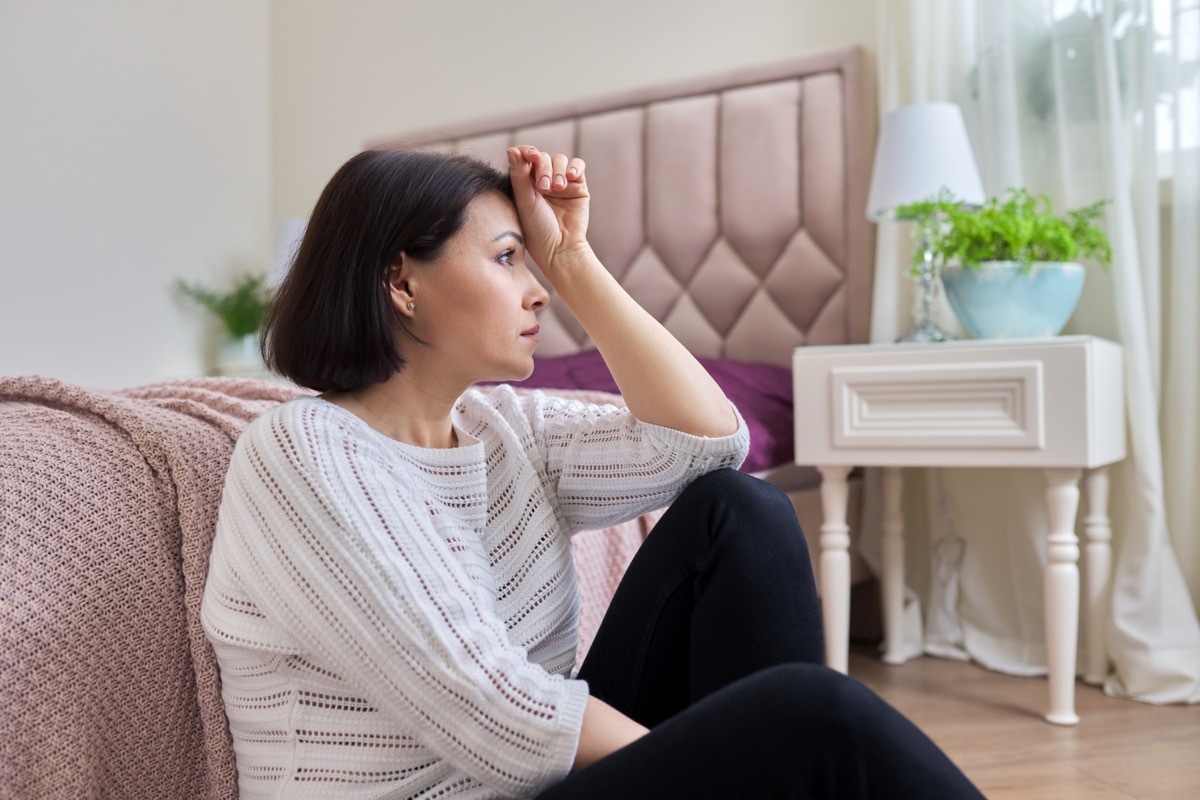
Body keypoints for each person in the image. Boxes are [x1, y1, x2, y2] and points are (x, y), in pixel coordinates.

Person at [201, 145, 985, 799]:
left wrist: (575, 259)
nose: (538, 289)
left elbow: (710, 448)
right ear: (401, 282)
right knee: (816, 718)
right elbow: (491, 707)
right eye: (509, 259)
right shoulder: (304, 449)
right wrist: (736, 763)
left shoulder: (502, 427)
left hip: (535, 789)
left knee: (738, 511)